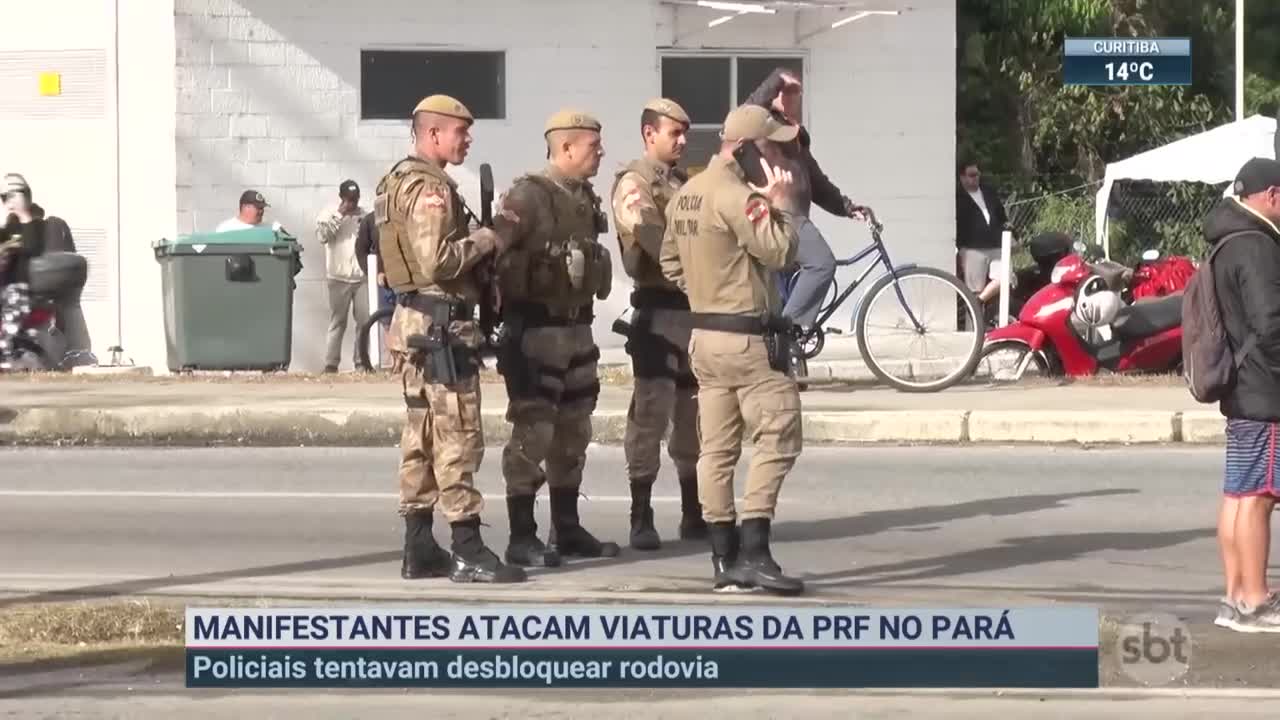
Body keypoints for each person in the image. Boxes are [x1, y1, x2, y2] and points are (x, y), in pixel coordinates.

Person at [373, 94, 523, 584]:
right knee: (457, 435)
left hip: (415, 324)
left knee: (420, 435)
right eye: (461, 131)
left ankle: (418, 546)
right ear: (433, 134)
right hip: (440, 329)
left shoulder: (397, 182)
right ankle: (467, 546)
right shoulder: (430, 190)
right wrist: (489, 239)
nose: (468, 138)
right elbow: (438, 260)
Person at [659, 104, 804, 595]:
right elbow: (783, 253)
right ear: (745, 149)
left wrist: (708, 292)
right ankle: (756, 551)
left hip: (705, 336)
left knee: (716, 449)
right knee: (779, 438)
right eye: (769, 148)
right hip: (748, 338)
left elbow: (669, 263)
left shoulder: (688, 194)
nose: (776, 158)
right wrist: (781, 203)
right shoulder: (741, 198)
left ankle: (723, 560)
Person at [491, 108, 619, 568]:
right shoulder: (528, 196)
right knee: (534, 432)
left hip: (577, 329)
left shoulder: (583, 196)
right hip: (536, 333)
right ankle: (521, 536)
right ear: (565, 147)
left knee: (574, 432)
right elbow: (495, 253)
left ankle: (566, 528)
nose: (601, 152)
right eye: (592, 145)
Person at [609, 98, 705, 550]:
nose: (682, 141)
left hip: (691, 312)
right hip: (658, 311)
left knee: (692, 415)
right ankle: (640, 514)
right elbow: (649, 235)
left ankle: (693, 512)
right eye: (674, 133)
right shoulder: (634, 182)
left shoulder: (683, 183)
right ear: (650, 134)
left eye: (685, 133)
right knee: (650, 414)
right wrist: (691, 271)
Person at [1203, 157, 1280, 632]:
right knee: (1260, 497)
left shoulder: (1225, 239)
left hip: (1239, 384)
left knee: (1237, 494)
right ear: (1272, 195)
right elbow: (1271, 323)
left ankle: (1234, 596)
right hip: (1264, 388)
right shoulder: (1257, 246)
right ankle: (1256, 599)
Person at [744, 68, 867, 333]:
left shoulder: (796, 137)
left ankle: (786, 350)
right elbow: (743, 115)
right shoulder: (761, 130)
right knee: (821, 263)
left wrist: (846, 207)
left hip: (796, 219)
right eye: (786, 94)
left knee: (785, 295)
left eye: (795, 94)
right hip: (779, 216)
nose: (791, 99)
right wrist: (775, 80)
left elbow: (817, 183)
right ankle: (786, 333)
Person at [1, 174, 92, 357]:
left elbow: (35, 250)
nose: (7, 202)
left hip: (37, 291)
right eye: (4, 197)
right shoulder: (6, 232)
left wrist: (24, 215)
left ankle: (74, 352)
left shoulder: (49, 226)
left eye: (11, 195)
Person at [316, 180, 370, 373]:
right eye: (348, 200)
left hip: (361, 278)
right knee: (338, 321)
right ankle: (331, 364)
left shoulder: (365, 216)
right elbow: (322, 236)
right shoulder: (328, 214)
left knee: (364, 322)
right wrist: (340, 215)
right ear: (341, 198)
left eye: (354, 200)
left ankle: (361, 362)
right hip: (338, 278)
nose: (352, 204)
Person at [956, 159, 1009, 293]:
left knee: (1006, 278)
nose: (976, 178)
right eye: (972, 175)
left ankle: (980, 301)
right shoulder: (956, 197)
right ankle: (975, 310)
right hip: (972, 249)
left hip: (996, 245)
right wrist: (959, 249)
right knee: (974, 289)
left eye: (978, 174)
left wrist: (1014, 235)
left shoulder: (988, 191)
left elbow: (1002, 216)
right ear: (962, 177)